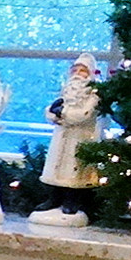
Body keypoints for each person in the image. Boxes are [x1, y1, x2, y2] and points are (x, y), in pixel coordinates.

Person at [32, 56, 101, 229]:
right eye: (75, 70)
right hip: (61, 135)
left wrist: (62, 114)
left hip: (80, 137)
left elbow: (83, 115)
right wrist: (54, 113)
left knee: (74, 167)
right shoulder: (66, 91)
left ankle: (72, 200)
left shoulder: (93, 94)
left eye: (82, 71)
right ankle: (54, 198)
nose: (77, 74)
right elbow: (50, 110)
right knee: (56, 166)